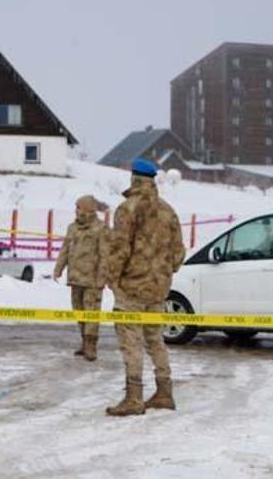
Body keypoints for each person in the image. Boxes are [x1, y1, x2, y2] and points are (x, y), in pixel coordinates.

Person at [106, 158, 185, 416]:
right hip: (158, 288)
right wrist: (164, 273)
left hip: (131, 287)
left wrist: (113, 279)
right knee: (155, 339)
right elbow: (179, 253)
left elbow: (119, 249)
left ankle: (134, 397)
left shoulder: (127, 209)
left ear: (133, 179)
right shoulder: (168, 211)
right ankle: (164, 392)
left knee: (131, 341)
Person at [53, 195, 110, 361]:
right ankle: (84, 342)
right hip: (75, 277)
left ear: (88, 210)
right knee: (78, 312)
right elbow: (65, 250)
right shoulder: (72, 228)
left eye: (79, 208)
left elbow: (105, 255)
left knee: (91, 313)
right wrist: (59, 268)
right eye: (76, 208)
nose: (76, 211)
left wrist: (102, 277)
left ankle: (91, 345)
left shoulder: (101, 229)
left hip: (92, 280)